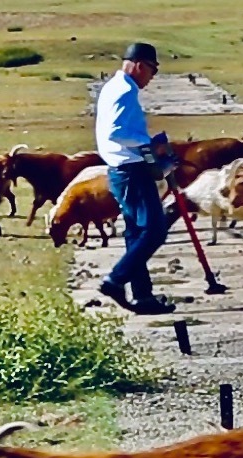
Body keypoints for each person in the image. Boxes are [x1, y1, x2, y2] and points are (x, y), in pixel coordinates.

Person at [94, 42, 177, 315]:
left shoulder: (113, 88)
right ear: (140, 65)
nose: (151, 78)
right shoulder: (125, 90)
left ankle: (143, 296)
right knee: (155, 231)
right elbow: (118, 132)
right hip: (132, 170)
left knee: (136, 234)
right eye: (152, 71)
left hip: (121, 170)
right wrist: (149, 144)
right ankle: (116, 280)